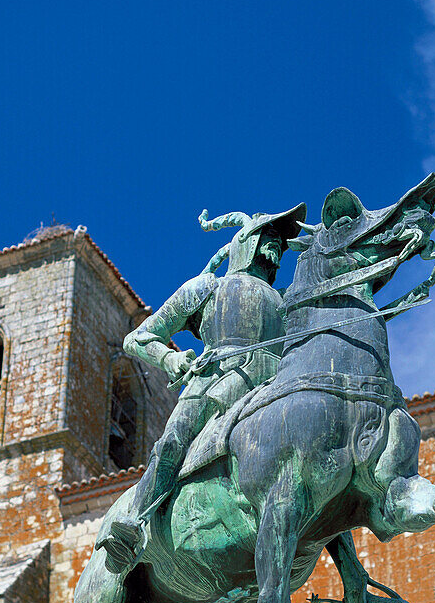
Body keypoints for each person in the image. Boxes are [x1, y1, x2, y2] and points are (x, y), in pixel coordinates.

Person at [97, 204, 304, 573]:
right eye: (269, 237)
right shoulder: (207, 287)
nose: (277, 247)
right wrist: (170, 360)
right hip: (218, 378)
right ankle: (134, 523)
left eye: (280, 241)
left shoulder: (287, 300)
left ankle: (354, 578)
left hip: (278, 381)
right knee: (175, 439)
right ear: (247, 243)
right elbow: (139, 338)